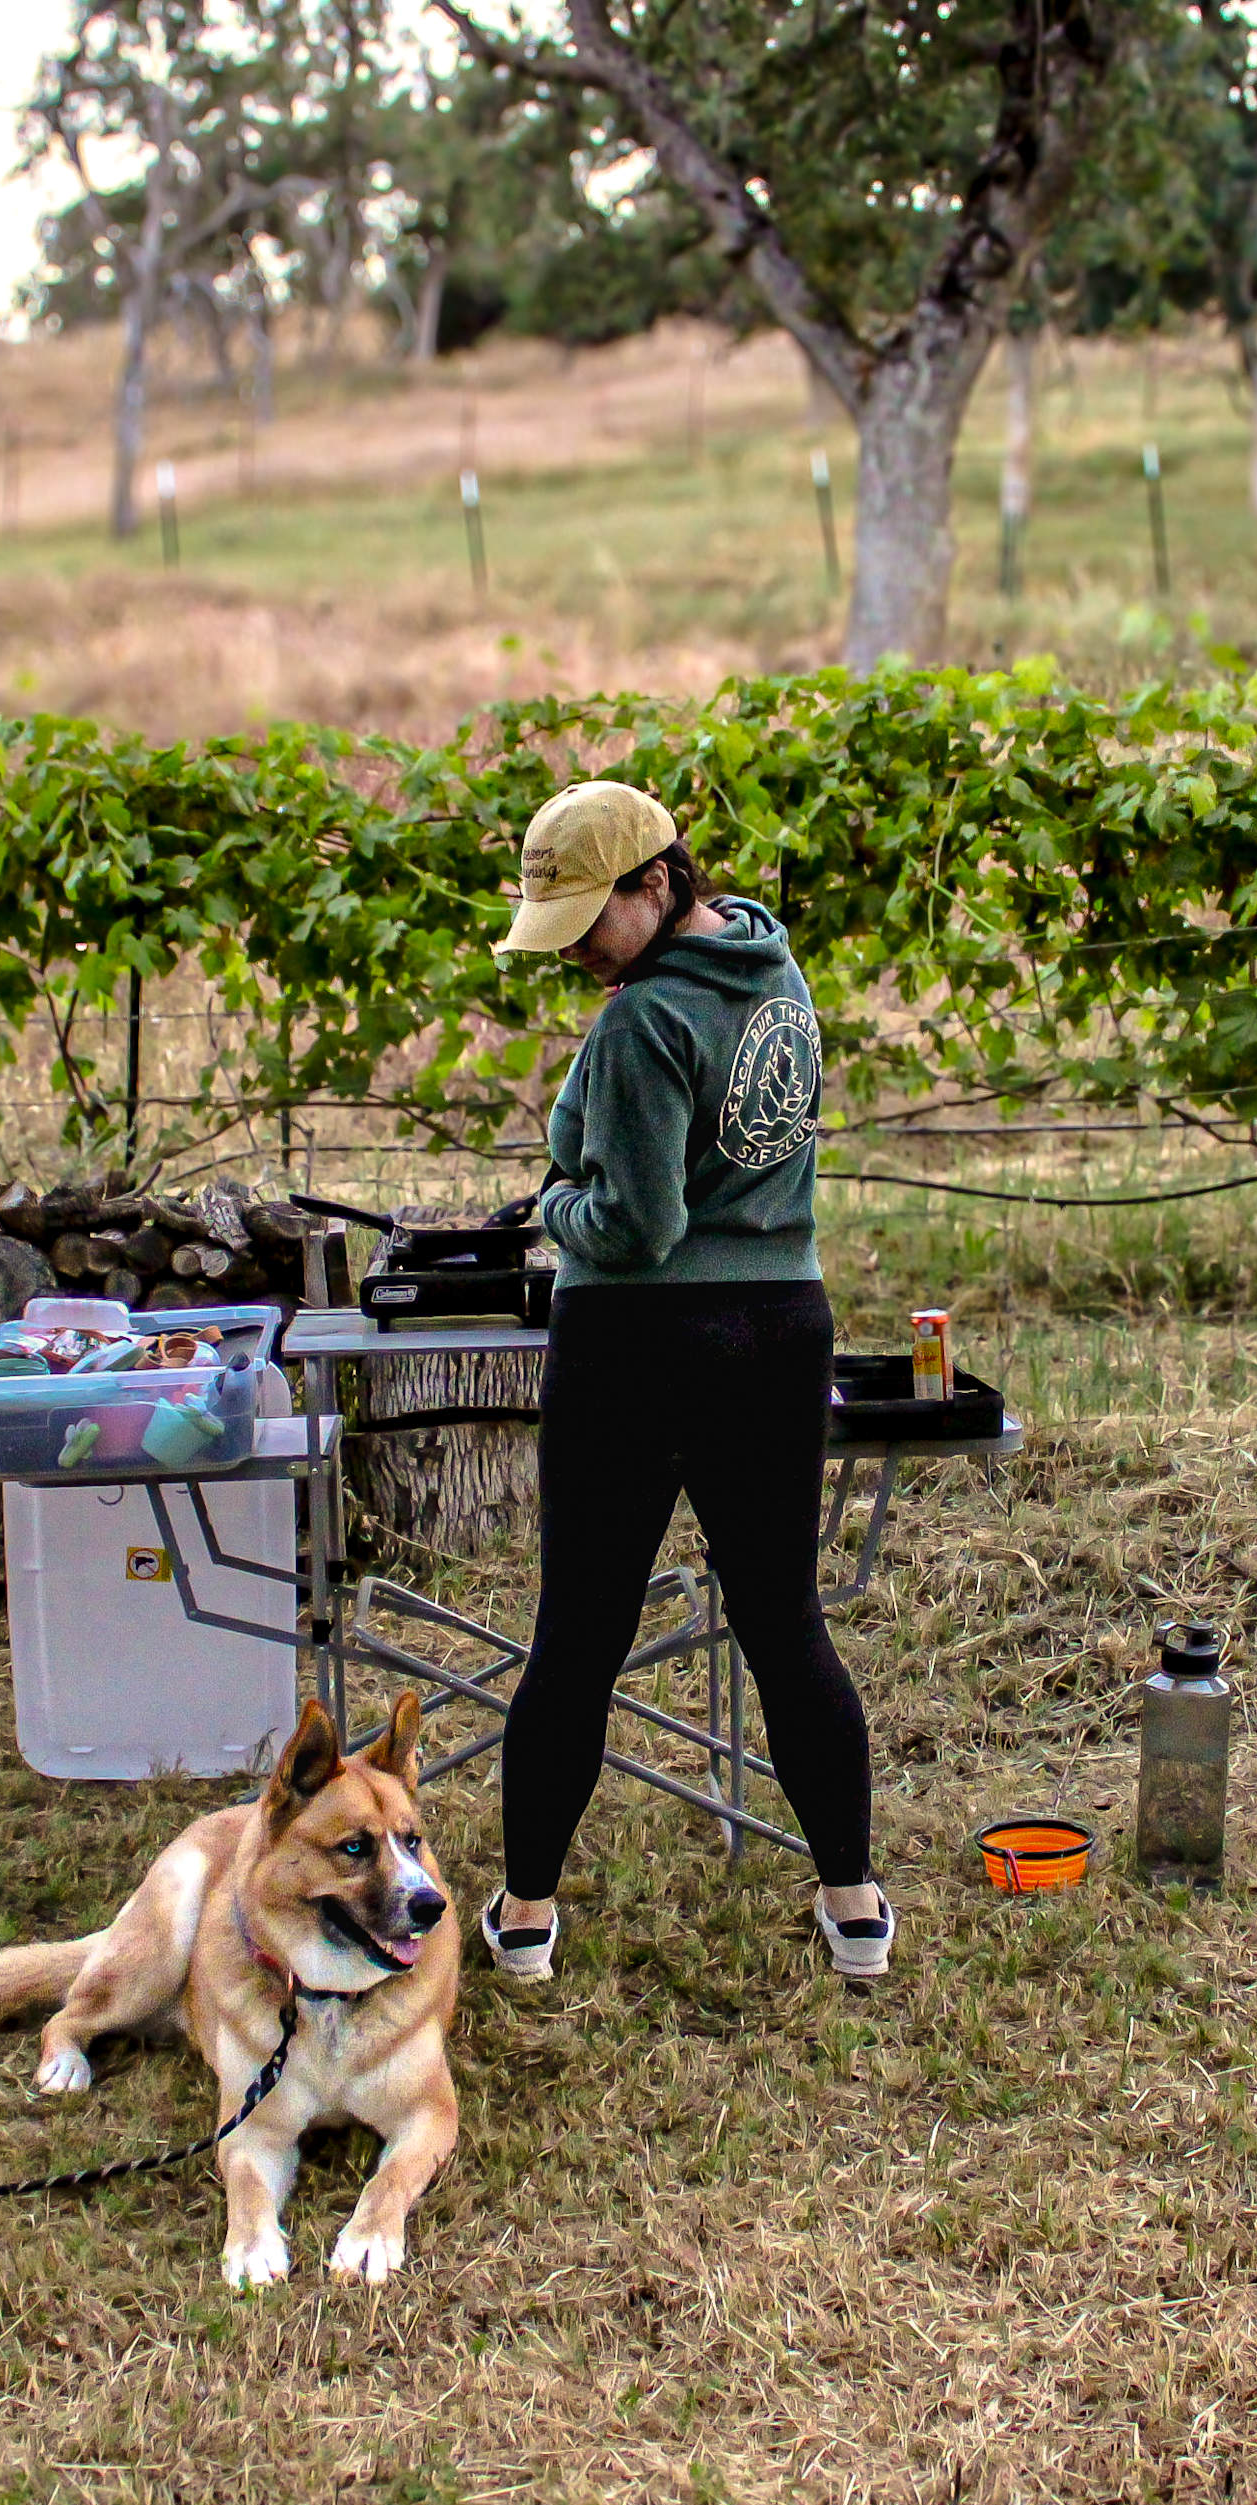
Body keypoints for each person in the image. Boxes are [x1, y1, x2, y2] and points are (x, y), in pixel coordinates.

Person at [470, 778, 892, 1984]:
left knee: (581, 1632)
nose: (577, 959)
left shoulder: (636, 1022)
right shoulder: (779, 975)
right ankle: (854, 1907)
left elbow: (637, 1222)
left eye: (589, 922)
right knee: (783, 1616)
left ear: (658, 882)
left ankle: (528, 1916)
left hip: (640, 1345)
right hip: (781, 1327)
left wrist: (554, 1203)